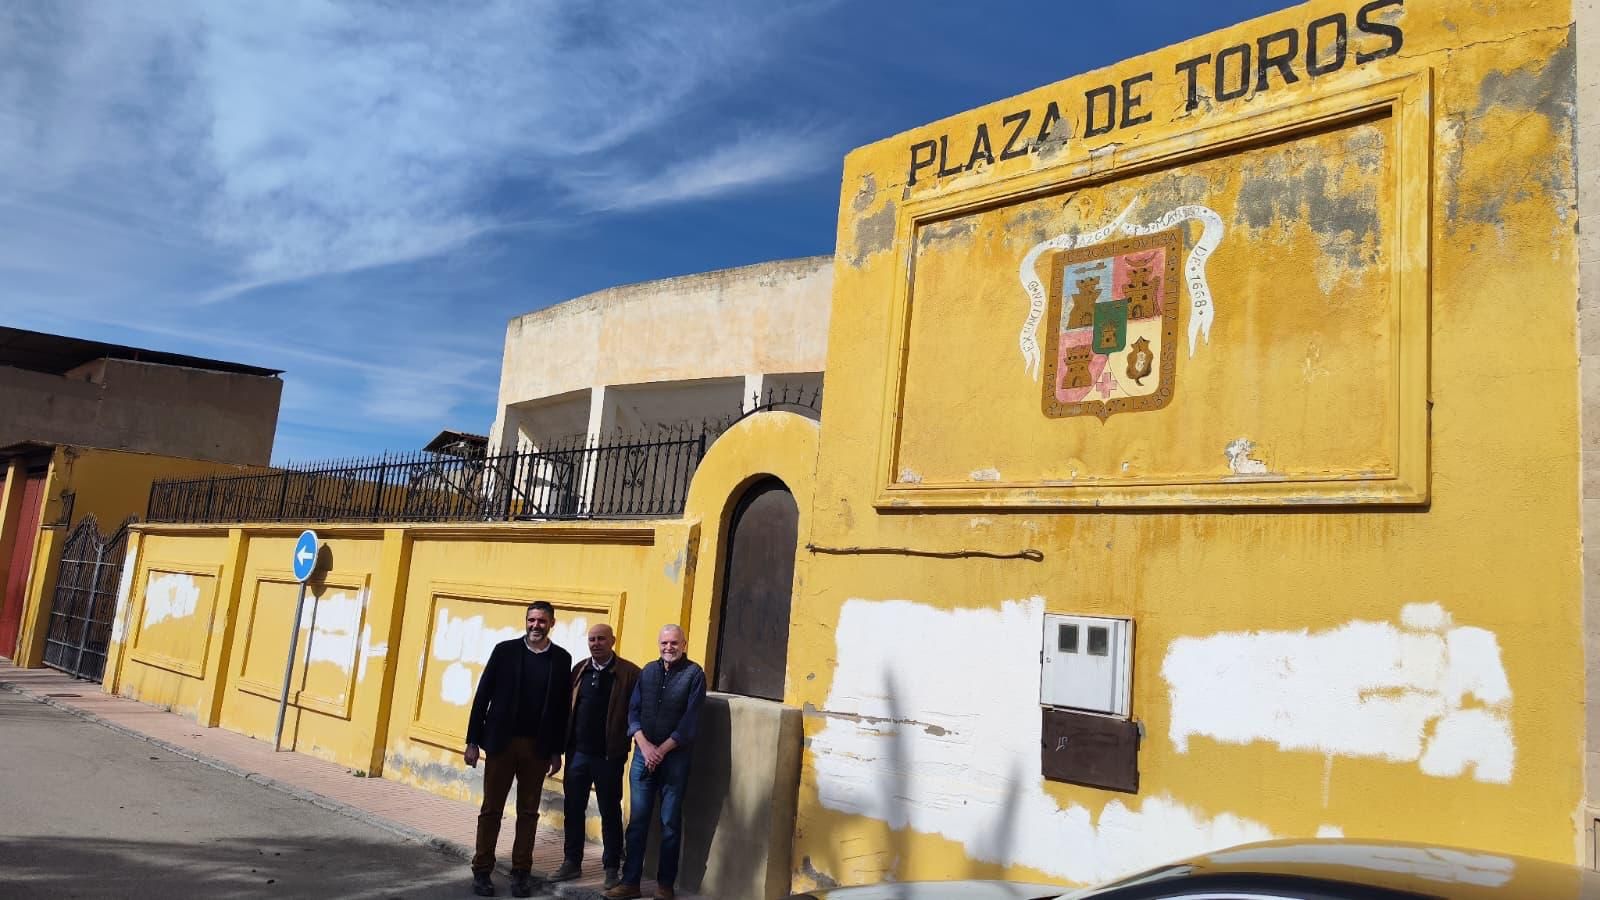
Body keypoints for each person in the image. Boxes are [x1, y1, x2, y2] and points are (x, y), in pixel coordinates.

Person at [464, 601, 573, 898]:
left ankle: (521, 872)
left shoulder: (561, 659)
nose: (535, 625)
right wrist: (472, 740)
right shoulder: (505, 651)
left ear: (552, 623)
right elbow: (482, 694)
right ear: (526, 621)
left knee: (528, 812)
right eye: (531, 620)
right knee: (491, 810)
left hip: (537, 748)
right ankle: (482, 870)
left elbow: (563, 709)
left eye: (541, 621)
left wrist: (556, 751)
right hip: (501, 743)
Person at [603, 624, 707, 900]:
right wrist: (646, 746)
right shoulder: (648, 671)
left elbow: (690, 721)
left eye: (674, 643)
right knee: (637, 821)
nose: (668, 648)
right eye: (664, 644)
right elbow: (633, 710)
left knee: (669, 823)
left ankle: (665, 885)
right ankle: (631, 882)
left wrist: (661, 750)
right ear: (658, 645)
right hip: (643, 755)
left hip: (675, 758)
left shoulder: (694, 675)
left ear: (684, 644)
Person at [549, 622, 640, 890]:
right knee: (573, 809)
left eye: (601, 639)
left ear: (612, 640)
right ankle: (571, 862)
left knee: (609, 811)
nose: (596, 643)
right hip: (577, 754)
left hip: (609, 756)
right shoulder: (579, 670)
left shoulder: (629, 674)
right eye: (592, 639)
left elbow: (638, 711)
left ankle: (611, 866)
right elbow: (565, 709)